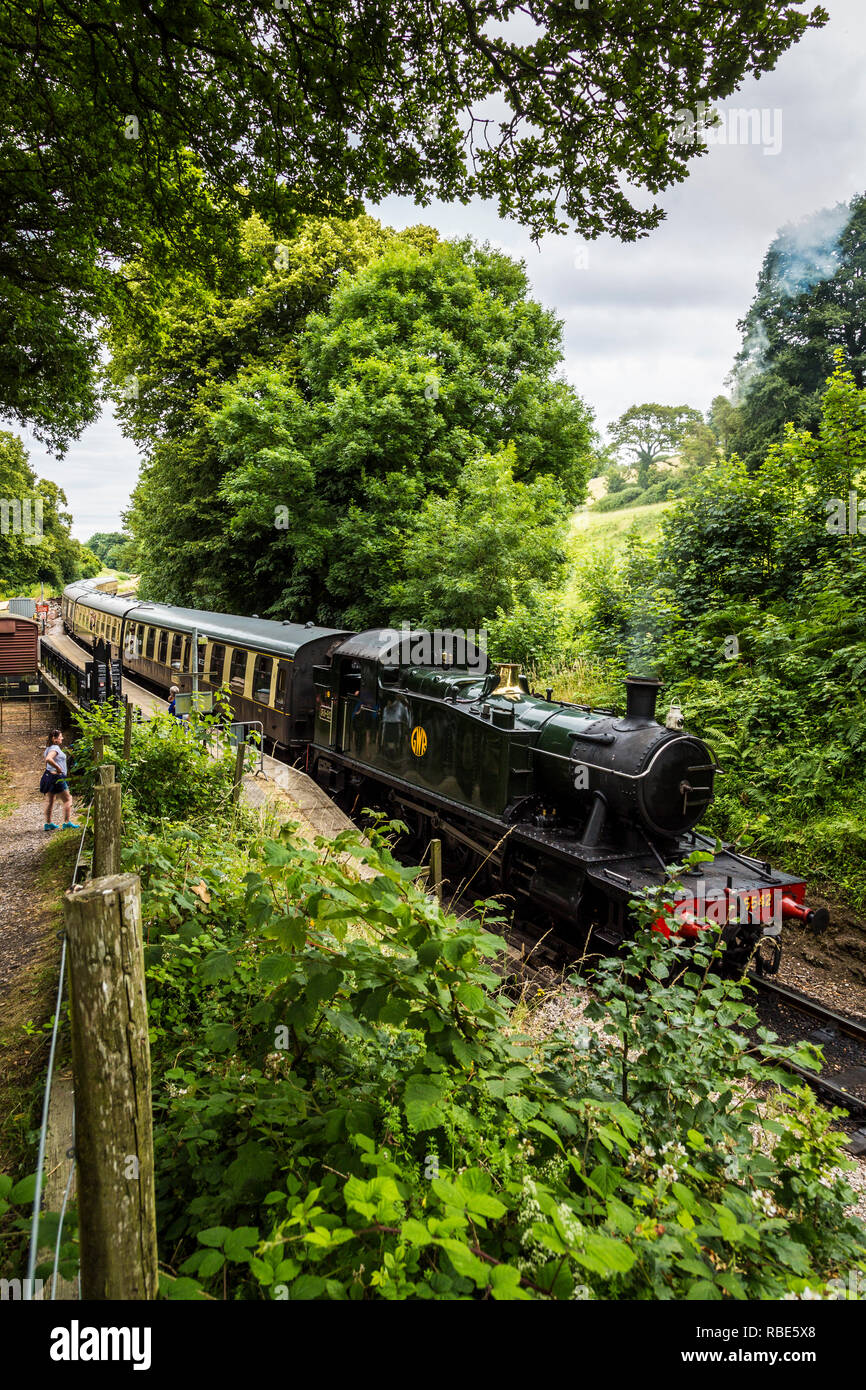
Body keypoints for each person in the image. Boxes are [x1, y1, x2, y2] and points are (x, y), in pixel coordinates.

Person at [42, 729, 80, 831]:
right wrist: (58, 768)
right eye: (60, 736)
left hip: (49, 776)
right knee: (68, 799)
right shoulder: (55, 748)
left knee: (50, 800)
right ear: (54, 739)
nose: (62, 738)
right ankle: (67, 822)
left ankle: (48, 823)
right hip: (57, 777)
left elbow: (48, 762)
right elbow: (48, 759)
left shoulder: (48, 748)